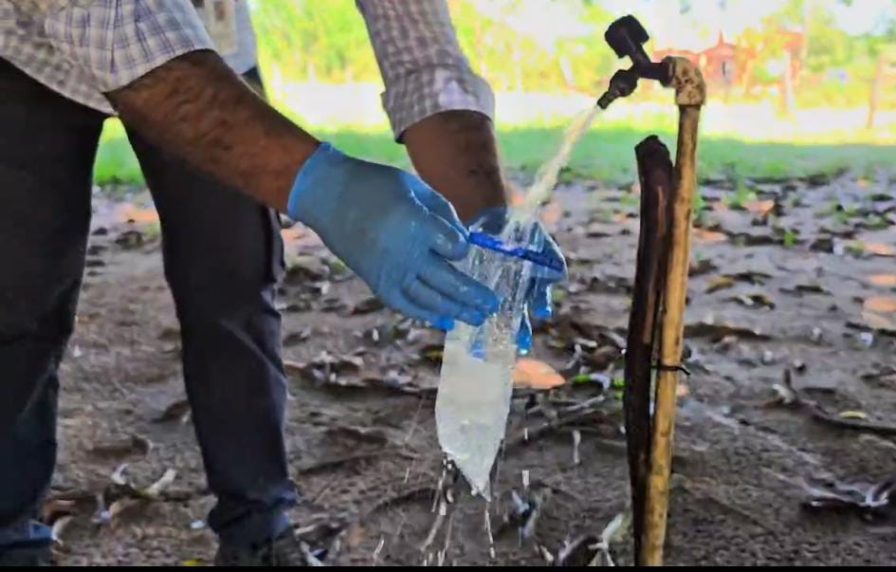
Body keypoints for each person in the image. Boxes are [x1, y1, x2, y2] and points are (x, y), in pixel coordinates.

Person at [0, 0, 566, 565]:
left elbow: (419, 43)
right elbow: (109, 18)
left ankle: (259, 533)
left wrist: (484, 216)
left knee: (236, 280)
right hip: (27, 46)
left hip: (206, 37)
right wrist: (327, 187)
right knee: (20, 295)